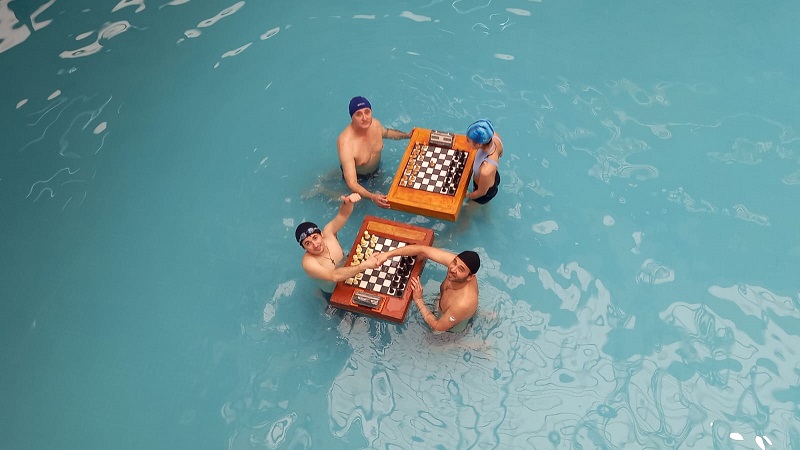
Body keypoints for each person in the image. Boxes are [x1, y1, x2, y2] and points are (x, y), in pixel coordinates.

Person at [376, 245, 480, 332]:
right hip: (443, 307)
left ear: (470, 277)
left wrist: (419, 300)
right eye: (454, 262)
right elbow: (422, 250)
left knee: (431, 338)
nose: (452, 269)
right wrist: (387, 255)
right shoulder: (457, 264)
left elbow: (437, 327)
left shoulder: (462, 304)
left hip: (451, 328)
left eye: (460, 269)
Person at [296, 193, 380, 296]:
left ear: (321, 234)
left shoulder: (329, 233)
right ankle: (320, 295)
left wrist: (348, 202)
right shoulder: (308, 263)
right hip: (333, 292)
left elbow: (342, 215)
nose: (315, 245)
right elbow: (333, 276)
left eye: (315, 238)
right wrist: (363, 266)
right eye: (308, 243)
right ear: (304, 247)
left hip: (350, 273)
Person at [337, 96, 412, 208]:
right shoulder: (345, 143)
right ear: (352, 117)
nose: (364, 118)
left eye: (367, 112)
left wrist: (406, 135)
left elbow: (387, 133)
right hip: (359, 180)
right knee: (352, 202)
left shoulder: (375, 125)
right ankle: (322, 190)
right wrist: (372, 197)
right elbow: (352, 183)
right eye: (358, 114)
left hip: (376, 170)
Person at [465, 119, 503, 204]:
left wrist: (467, 195)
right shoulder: (495, 137)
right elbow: (501, 153)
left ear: (479, 144)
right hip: (494, 176)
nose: (466, 142)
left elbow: (481, 193)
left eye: (468, 140)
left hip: (484, 192)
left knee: (467, 209)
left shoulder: (485, 170)